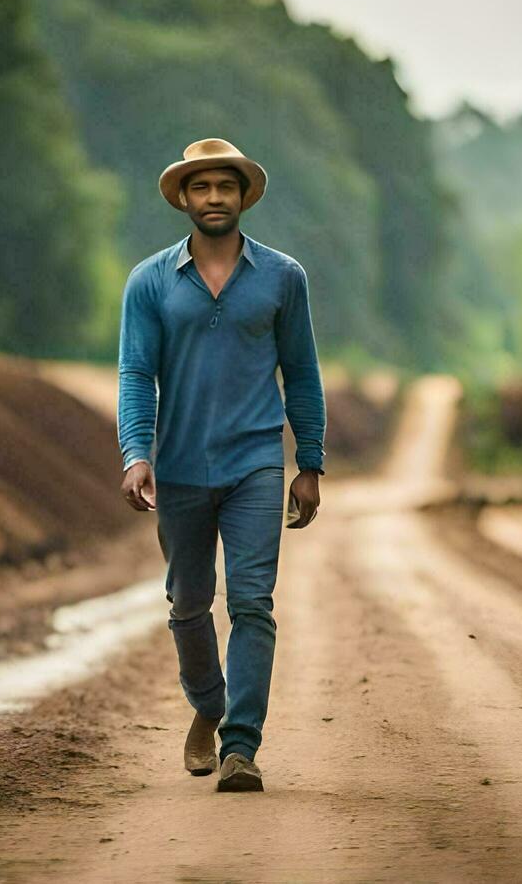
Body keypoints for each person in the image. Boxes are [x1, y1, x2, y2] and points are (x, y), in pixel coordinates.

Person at [116, 137, 327, 793]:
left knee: (253, 603)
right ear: (184, 197)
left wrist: (309, 461)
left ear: (243, 197)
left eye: (225, 187)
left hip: (256, 463)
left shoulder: (282, 277)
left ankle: (240, 747)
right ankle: (209, 704)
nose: (214, 198)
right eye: (202, 187)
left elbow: (302, 373)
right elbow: (135, 373)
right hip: (178, 467)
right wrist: (136, 454)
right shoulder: (151, 281)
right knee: (187, 604)